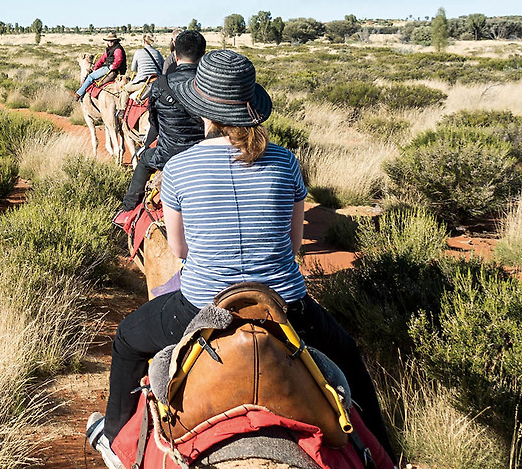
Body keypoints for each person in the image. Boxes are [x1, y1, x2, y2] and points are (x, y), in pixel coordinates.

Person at [87, 50, 396, 467]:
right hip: (286, 304)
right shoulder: (286, 160)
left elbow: (180, 250)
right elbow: (295, 244)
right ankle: (384, 454)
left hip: (202, 306)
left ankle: (113, 441)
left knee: (127, 340)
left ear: (202, 110)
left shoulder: (179, 167)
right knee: (349, 355)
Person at [116, 29, 206, 213]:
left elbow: (155, 123)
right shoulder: (210, 84)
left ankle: (128, 209)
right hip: (204, 155)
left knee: (144, 161)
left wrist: (145, 145)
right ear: (203, 55)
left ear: (176, 55)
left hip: (167, 155)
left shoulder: (160, 84)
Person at [74, 34, 127, 100]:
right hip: (111, 67)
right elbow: (102, 59)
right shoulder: (110, 49)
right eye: (108, 41)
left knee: (90, 77)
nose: (110, 42)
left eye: (111, 41)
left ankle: (79, 94)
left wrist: (113, 66)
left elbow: (118, 59)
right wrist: (95, 68)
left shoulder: (117, 49)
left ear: (115, 41)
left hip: (113, 69)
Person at [123, 34, 165, 100]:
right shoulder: (157, 53)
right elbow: (163, 66)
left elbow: (133, 68)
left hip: (143, 83)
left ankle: (122, 106)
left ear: (144, 41)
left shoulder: (138, 52)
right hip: (157, 81)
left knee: (125, 88)